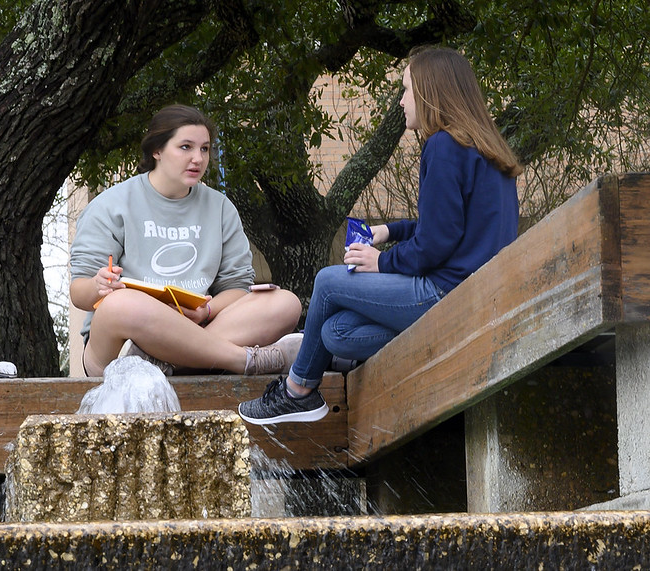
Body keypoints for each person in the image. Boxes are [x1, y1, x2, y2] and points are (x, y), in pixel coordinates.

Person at [238, 46, 523, 424]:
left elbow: (435, 245)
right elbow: (450, 227)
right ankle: (366, 354)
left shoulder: (443, 145)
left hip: (445, 294)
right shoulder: (485, 149)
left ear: (429, 93)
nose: (402, 102)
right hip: (476, 296)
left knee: (328, 281)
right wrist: (389, 231)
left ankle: (297, 391)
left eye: (406, 90)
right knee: (333, 332)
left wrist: (382, 261)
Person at [70, 104, 302, 378]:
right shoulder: (109, 205)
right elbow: (79, 294)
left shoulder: (220, 207)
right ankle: (242, 360)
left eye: (204, 149)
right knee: (121, 304)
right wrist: (99, 286)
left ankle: (161, 363)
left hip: (199, 327)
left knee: (284, 302)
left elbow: (237, 288)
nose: (198, 159)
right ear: (157, 150)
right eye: (186, 147)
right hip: (119, 345)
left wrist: (206, 311)